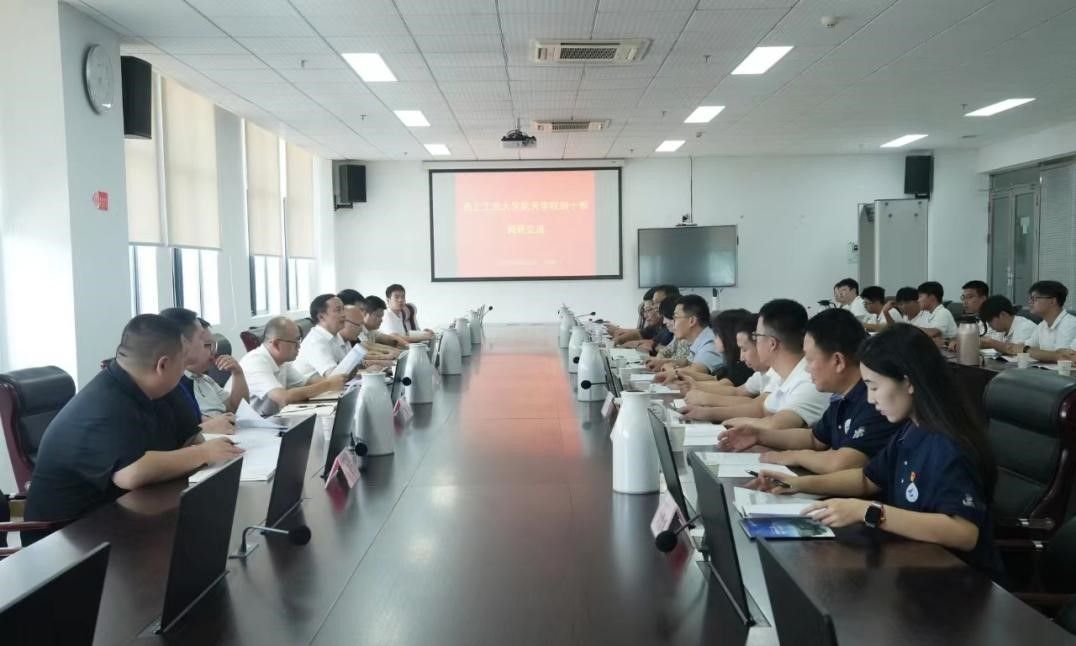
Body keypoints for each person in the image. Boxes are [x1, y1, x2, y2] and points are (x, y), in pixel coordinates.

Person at [753, 324, 1001, 577]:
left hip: (960, 583)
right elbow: (866, 479)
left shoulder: (948, 444)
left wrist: (868, 512)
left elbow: (963, 533)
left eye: (874, 387)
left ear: (908, 382)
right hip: (916, 568)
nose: (871, 400)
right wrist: (798, 484)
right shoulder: (910, 431)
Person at [23, 315, 243, 538]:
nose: (186, 368)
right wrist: (203, 453)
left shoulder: (161, 389)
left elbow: (190, 438)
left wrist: (200, 450)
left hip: (125, 515)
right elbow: (132, 472)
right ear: (163, 365)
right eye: (183, 361)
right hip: (67, 536)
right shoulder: (105, 402)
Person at [718, 309, 900, 474]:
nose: (806, 368)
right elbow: (814, 438)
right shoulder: (841, 397)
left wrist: (793, 458)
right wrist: (758, 435)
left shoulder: (874, 401)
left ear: (838, 361)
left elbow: (843, 463)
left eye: (810, 360)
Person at [682, 299, 830, 428]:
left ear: (772, 343)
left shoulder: (808, 380)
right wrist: (705, 412)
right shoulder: (781, 374)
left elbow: (776, 425)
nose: (755, 341)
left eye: (756, 335)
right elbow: (760, 408)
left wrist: (724, 422)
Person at [237, 316, 347, 415]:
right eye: (296, 341)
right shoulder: (255, 362)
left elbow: (306, 383)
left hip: (273, 418)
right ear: (276, 344)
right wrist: (328, 385)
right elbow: (283, 398)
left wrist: (338, 381)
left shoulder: (282, 362)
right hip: (252, 425)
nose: (299, 346)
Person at [159, 308, 238, 435]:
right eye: (204, 341)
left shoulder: (185, 381)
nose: (213, 351)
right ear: (183, 342)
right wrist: (203, 430)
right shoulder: (165, 385)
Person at [184, 318, 248, 418]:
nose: (214, 351)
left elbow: (237, 408)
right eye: (208, 345)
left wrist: (238, 373)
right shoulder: (178, 385)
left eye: (214, 345)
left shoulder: (206, 380)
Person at [653, 295, 724, 379]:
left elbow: (694, 371)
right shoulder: (698, 341)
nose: (673, 323)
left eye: (676, 317)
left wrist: (671, 369)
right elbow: (688, 362)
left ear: (692, 321)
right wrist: (667, 362)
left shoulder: (711, 343)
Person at [1005, 280, 1076, 361]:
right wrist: (1019, 348)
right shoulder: (1043, 325)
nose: (1029, 302)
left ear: (1052, 301)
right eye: (1030, 298)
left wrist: (1025, 350)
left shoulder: (1070, 323)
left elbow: (1063, 357)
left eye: (1034, 298)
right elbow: (1023, 346)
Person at [293, 294, 350, 380]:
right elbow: (335, 378)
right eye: (338, 310)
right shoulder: (315, 342)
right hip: (312, 388)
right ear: (321, 317)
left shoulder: (335, 335)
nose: (344, 314)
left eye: (343, 309)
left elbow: (346, 367)